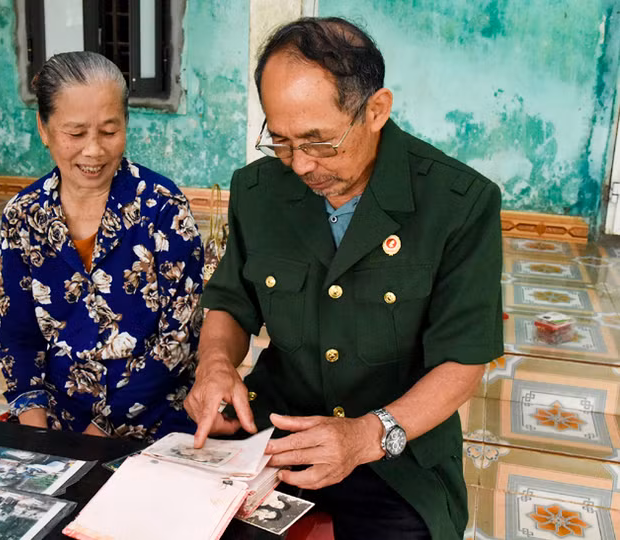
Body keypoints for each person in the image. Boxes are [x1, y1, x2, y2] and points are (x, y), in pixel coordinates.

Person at [185, 17, 503, 539]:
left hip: (395, 457)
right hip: (272, 434)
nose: (302, 164)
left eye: (320, 141)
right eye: (282, 141)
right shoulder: (259, 190)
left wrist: (365, 437)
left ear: (376, 110)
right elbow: (231, 301)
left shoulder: (459, 204)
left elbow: (463, 361)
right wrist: (215, 366)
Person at [0, 51, 204, 442]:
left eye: (109, 132)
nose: (94, 151)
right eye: (75, 133)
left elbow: (179, 339)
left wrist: (96, 435)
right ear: (44, 128)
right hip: (56, 423)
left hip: (154, 422)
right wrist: (40, 439)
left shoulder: (163, 208)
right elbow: (17, 336)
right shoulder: (23, 215)